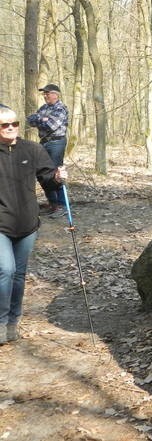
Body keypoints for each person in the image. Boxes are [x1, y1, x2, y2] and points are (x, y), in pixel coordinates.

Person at [0, 106, 67, 344]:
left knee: (18, 275)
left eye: (14, 124)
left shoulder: (32, 149)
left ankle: (12, 322)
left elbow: (49, 179)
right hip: (1, 225)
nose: (10, 128)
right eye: (4, 125)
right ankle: (1, 321)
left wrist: (58, 177)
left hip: (28, 223)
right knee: (5, 271)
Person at [26, 84, 69, 216]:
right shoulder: (44, 108)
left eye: (47, 93)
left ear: (55, 94)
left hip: (56, 143)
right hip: (44, 142)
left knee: (55, 173)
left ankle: (62, 205)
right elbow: (30, 121)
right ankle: (52, 203)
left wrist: (41, 119)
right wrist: (41, 119)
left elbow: (51, 125)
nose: (45, 95)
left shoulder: (60, 108)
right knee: (42, 173)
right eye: (44, 93)